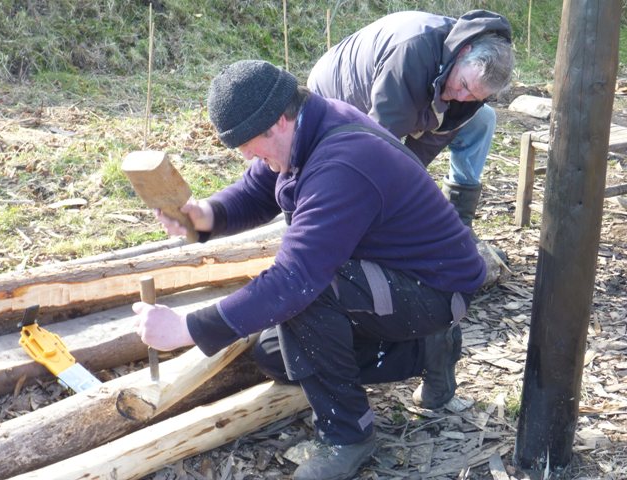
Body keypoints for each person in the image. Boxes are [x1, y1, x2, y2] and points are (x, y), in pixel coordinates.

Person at [132, 60, 486, 480]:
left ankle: (347, 434)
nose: (247, 155)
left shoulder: (343, 164)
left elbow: (295, 280)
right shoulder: (308, 126)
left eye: (248, 144)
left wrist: (188, 328)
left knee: (306, 297)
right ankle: (426, 350)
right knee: (275, 353)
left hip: (432, 289)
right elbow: (259, 187)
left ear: (279, 121)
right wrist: (205, 216)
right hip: (385, 275)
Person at [308, 9, 514, 245]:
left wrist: (410, 179)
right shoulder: (412, 56)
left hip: (409, 90)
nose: (461, 96)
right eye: (464, 84)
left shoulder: (465, 87)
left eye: (473, 95)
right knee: (367, 165)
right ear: (463, 52)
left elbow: (427, 144)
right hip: (339, 89)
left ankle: (459, 222)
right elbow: (378, 143)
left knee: (483, 120)